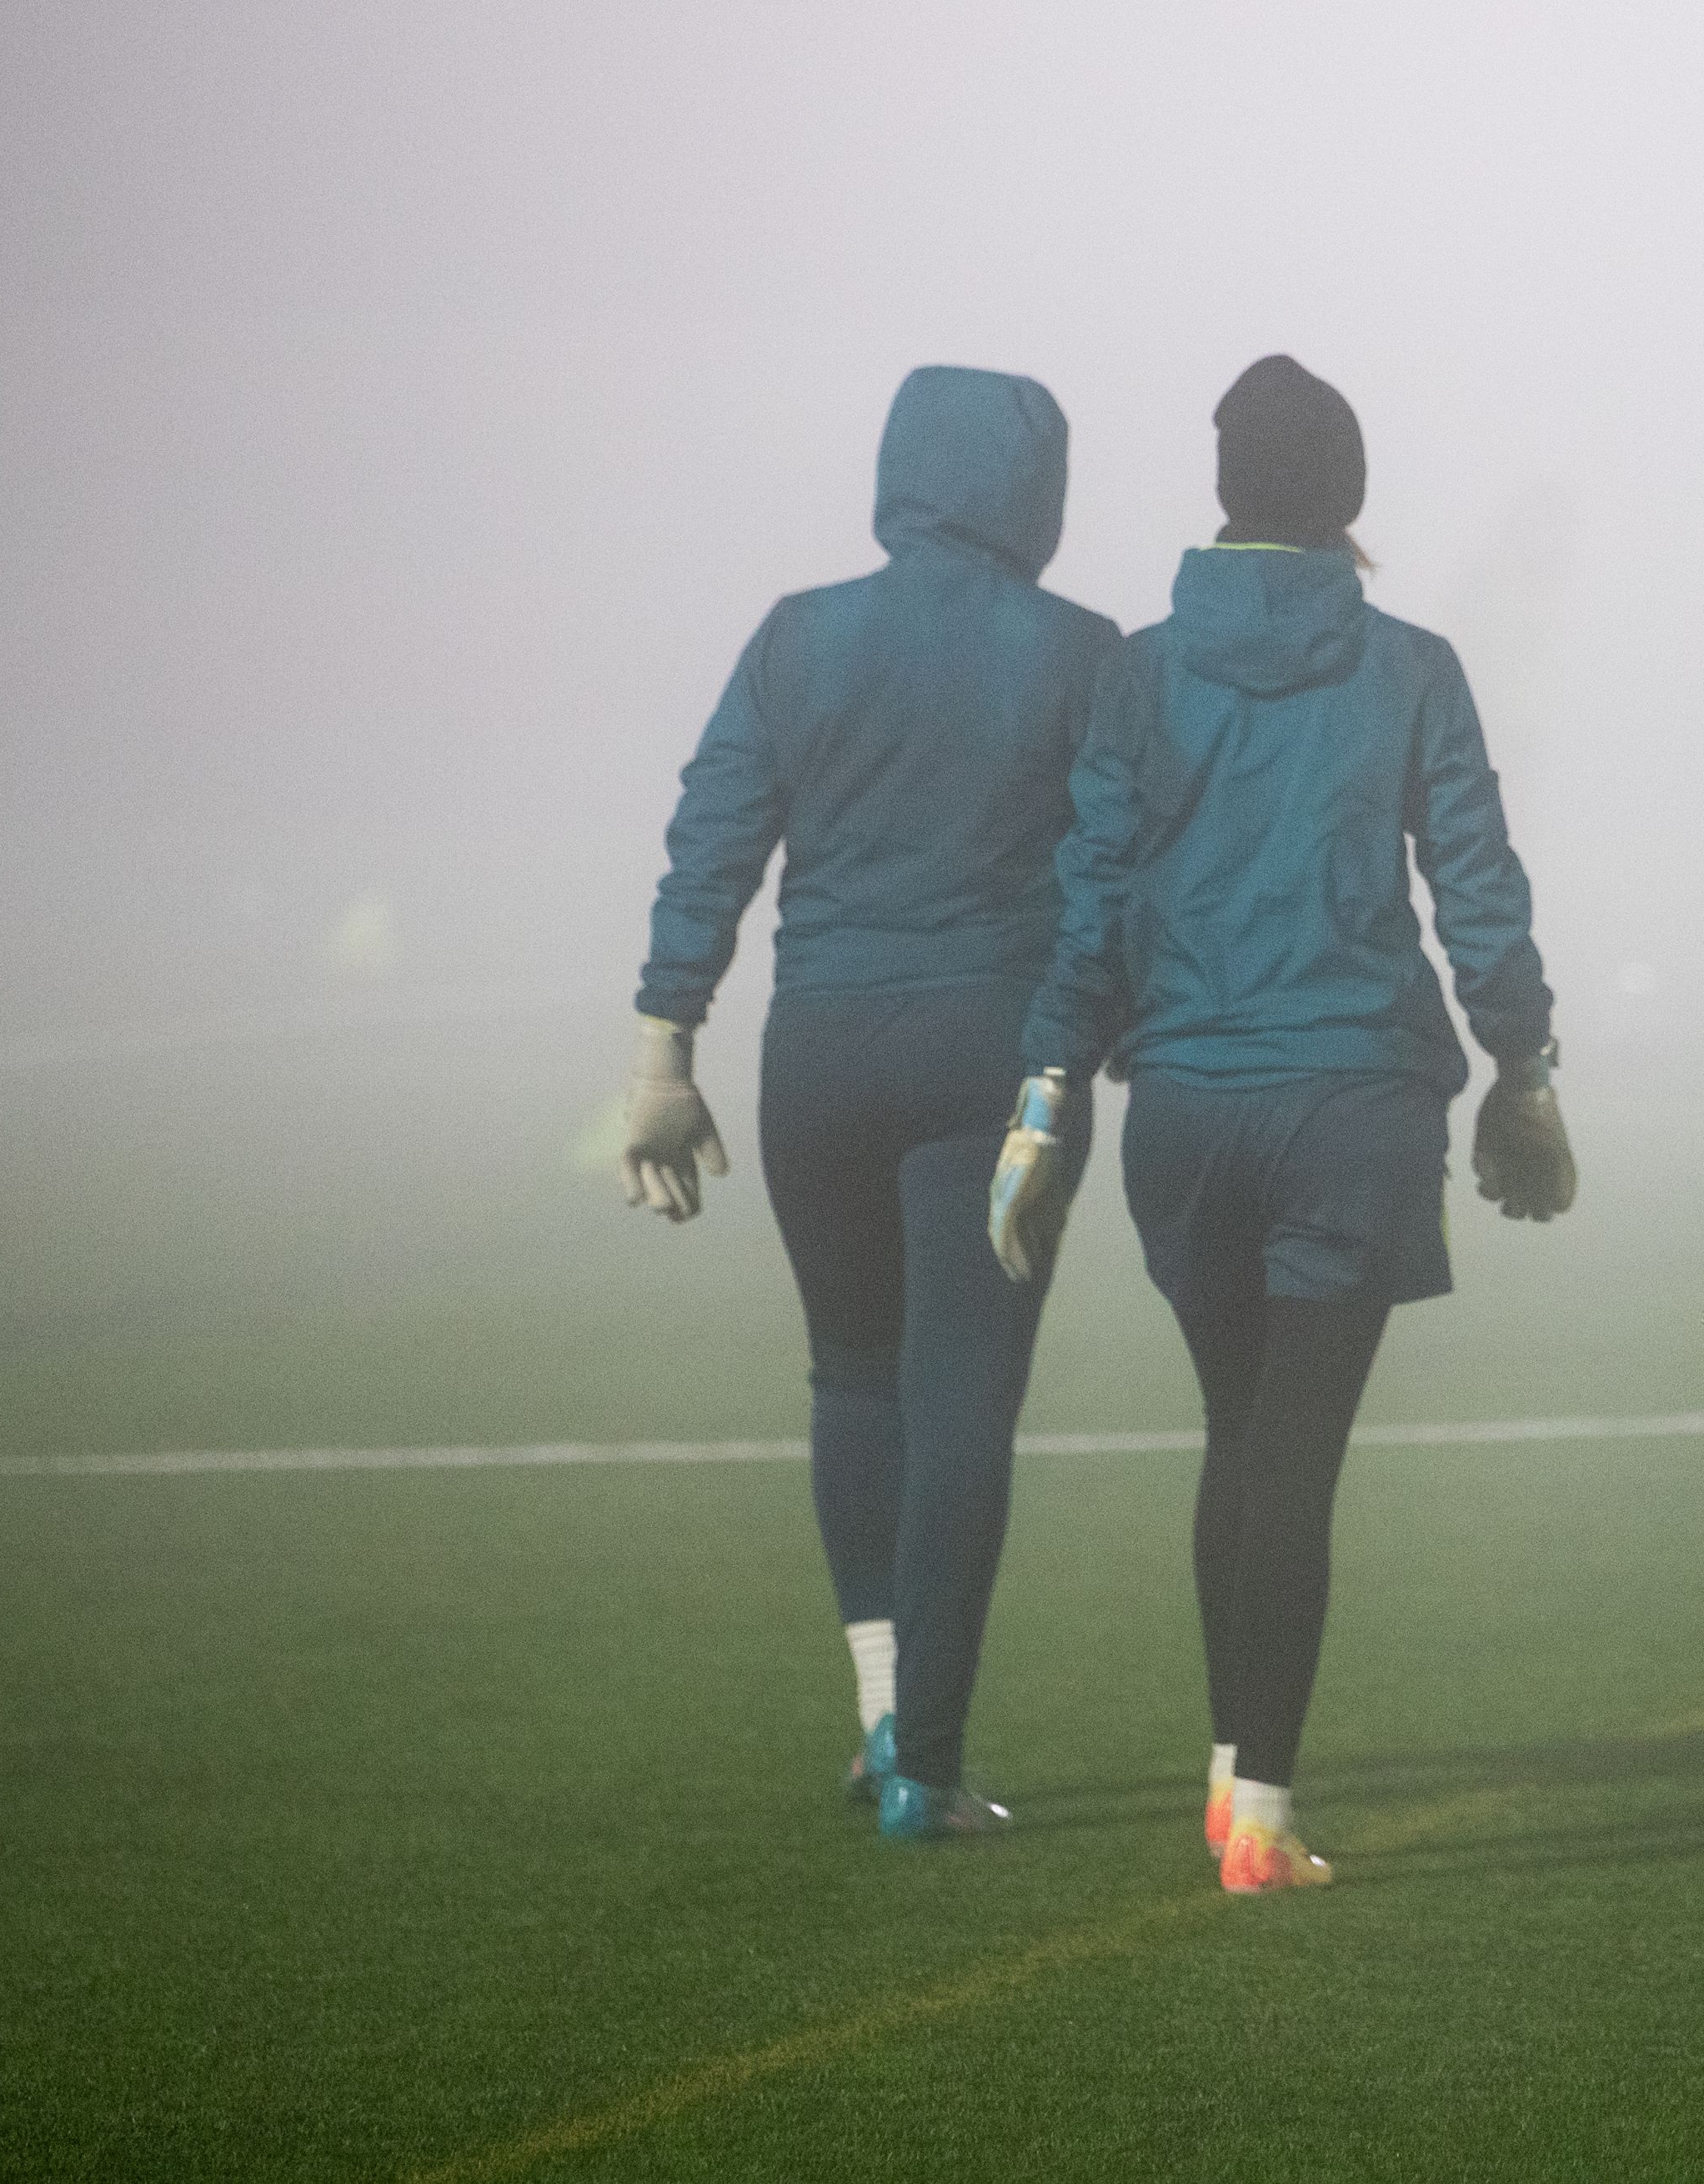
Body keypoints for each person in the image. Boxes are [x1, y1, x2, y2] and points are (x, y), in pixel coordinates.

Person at [993, 353, 1576, 1896]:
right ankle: (1261, 1813)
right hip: (1350, 1107)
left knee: (1235, 1438)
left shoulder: (1138, 673)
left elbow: (1091, 896)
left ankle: (1225, 1776)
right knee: (1293, 1461)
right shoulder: (1411, 667)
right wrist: (1522, 1065)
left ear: (1224, 488)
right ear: (1348, 494)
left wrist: (1048, 1089)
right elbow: (1476, 882)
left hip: (1185, 1110)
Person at [621, 366, 1116, 1839]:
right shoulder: (1081, 652)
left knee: (852, 1376)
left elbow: (714, 837)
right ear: (1038, 490)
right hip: (993, 1053)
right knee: (963, 1400)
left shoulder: (798, 635)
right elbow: (1119, 874)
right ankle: (929, 1766)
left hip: (818, 1052)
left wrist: (662, 1053)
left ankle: (882, 1711)